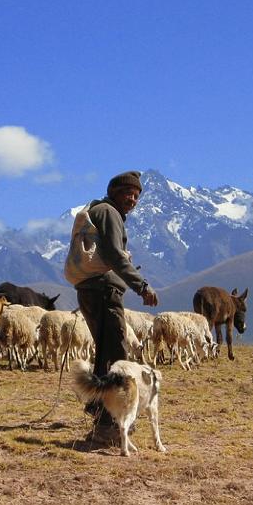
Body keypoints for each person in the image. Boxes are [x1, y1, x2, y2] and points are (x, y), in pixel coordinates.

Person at [66, 170, 158, 446]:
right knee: (116, 355)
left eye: (137, 194)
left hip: (92, 290)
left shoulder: (101, 211)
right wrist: (142, 286)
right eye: (128, 192)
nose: (133, 198)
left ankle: (98, 410)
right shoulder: (110, 213)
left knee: (106, 352)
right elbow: (117, 256)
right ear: (114, 191)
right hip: (103, 291)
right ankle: (108, 424)